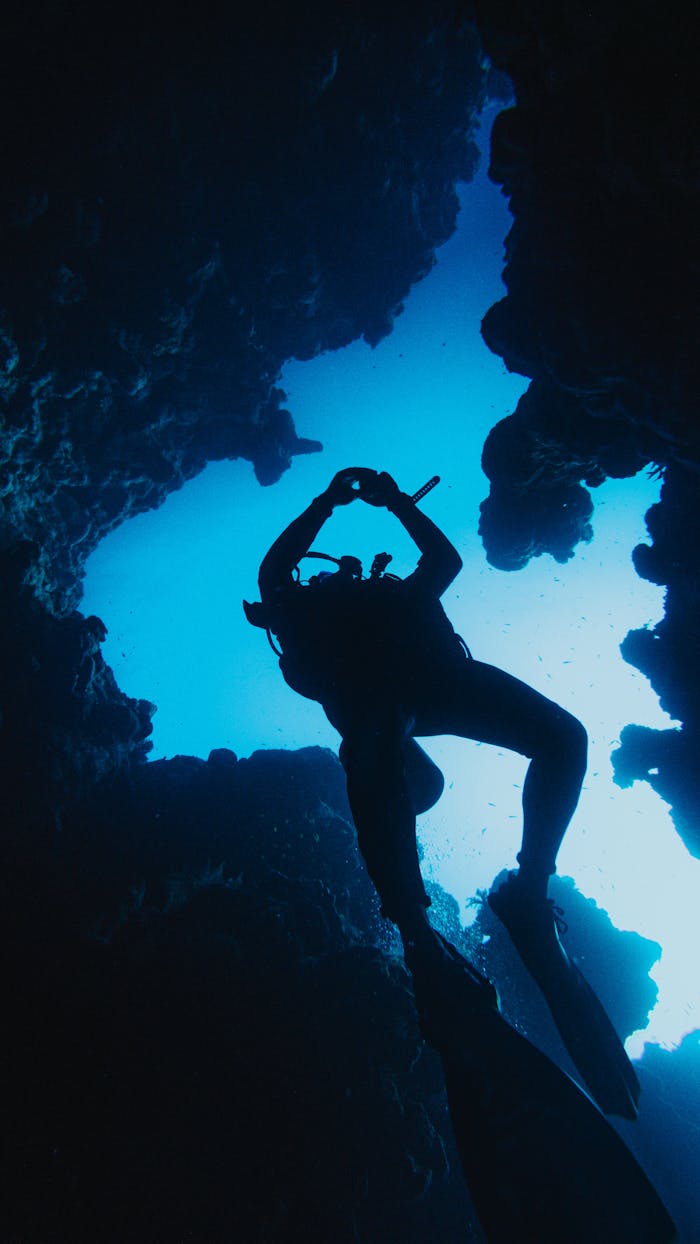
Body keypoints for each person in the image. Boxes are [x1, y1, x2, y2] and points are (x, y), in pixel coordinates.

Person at [251, 467, 588, 983]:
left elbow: (444, 562)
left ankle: (529, 888)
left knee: (563, 738)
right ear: (314, 583)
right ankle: (414, 930)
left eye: (344, 575)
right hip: (386, 701)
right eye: (326, 578)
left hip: (431, 686)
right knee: (403, 767)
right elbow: (277, 569)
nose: (337, 579)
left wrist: (374, 502)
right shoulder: (306, 608)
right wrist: (355, 502)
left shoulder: (389, 600)